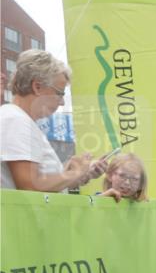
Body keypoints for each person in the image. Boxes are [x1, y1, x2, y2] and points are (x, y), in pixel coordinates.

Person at [1, 50, 107, 191]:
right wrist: (75, 173)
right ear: (37, 87)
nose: (62, 102)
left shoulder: (19, 119)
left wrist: (72, 173)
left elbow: (38, 183)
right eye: (60, 93)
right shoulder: (16, 120)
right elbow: (29, 185)